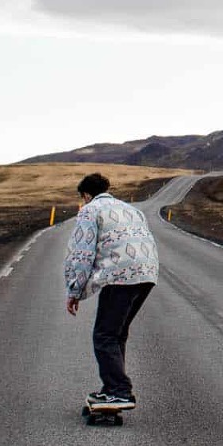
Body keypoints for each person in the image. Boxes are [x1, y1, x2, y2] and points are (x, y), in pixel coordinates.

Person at [62, 172, 159, 410]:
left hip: (119, 275)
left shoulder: (89, 210)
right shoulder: (131, 209)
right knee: (116, 334)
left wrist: (74, 291)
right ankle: (112, 388)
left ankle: (119, 391)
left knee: (104, 335)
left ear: (86, 195)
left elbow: (82, 254)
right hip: (147, 273)